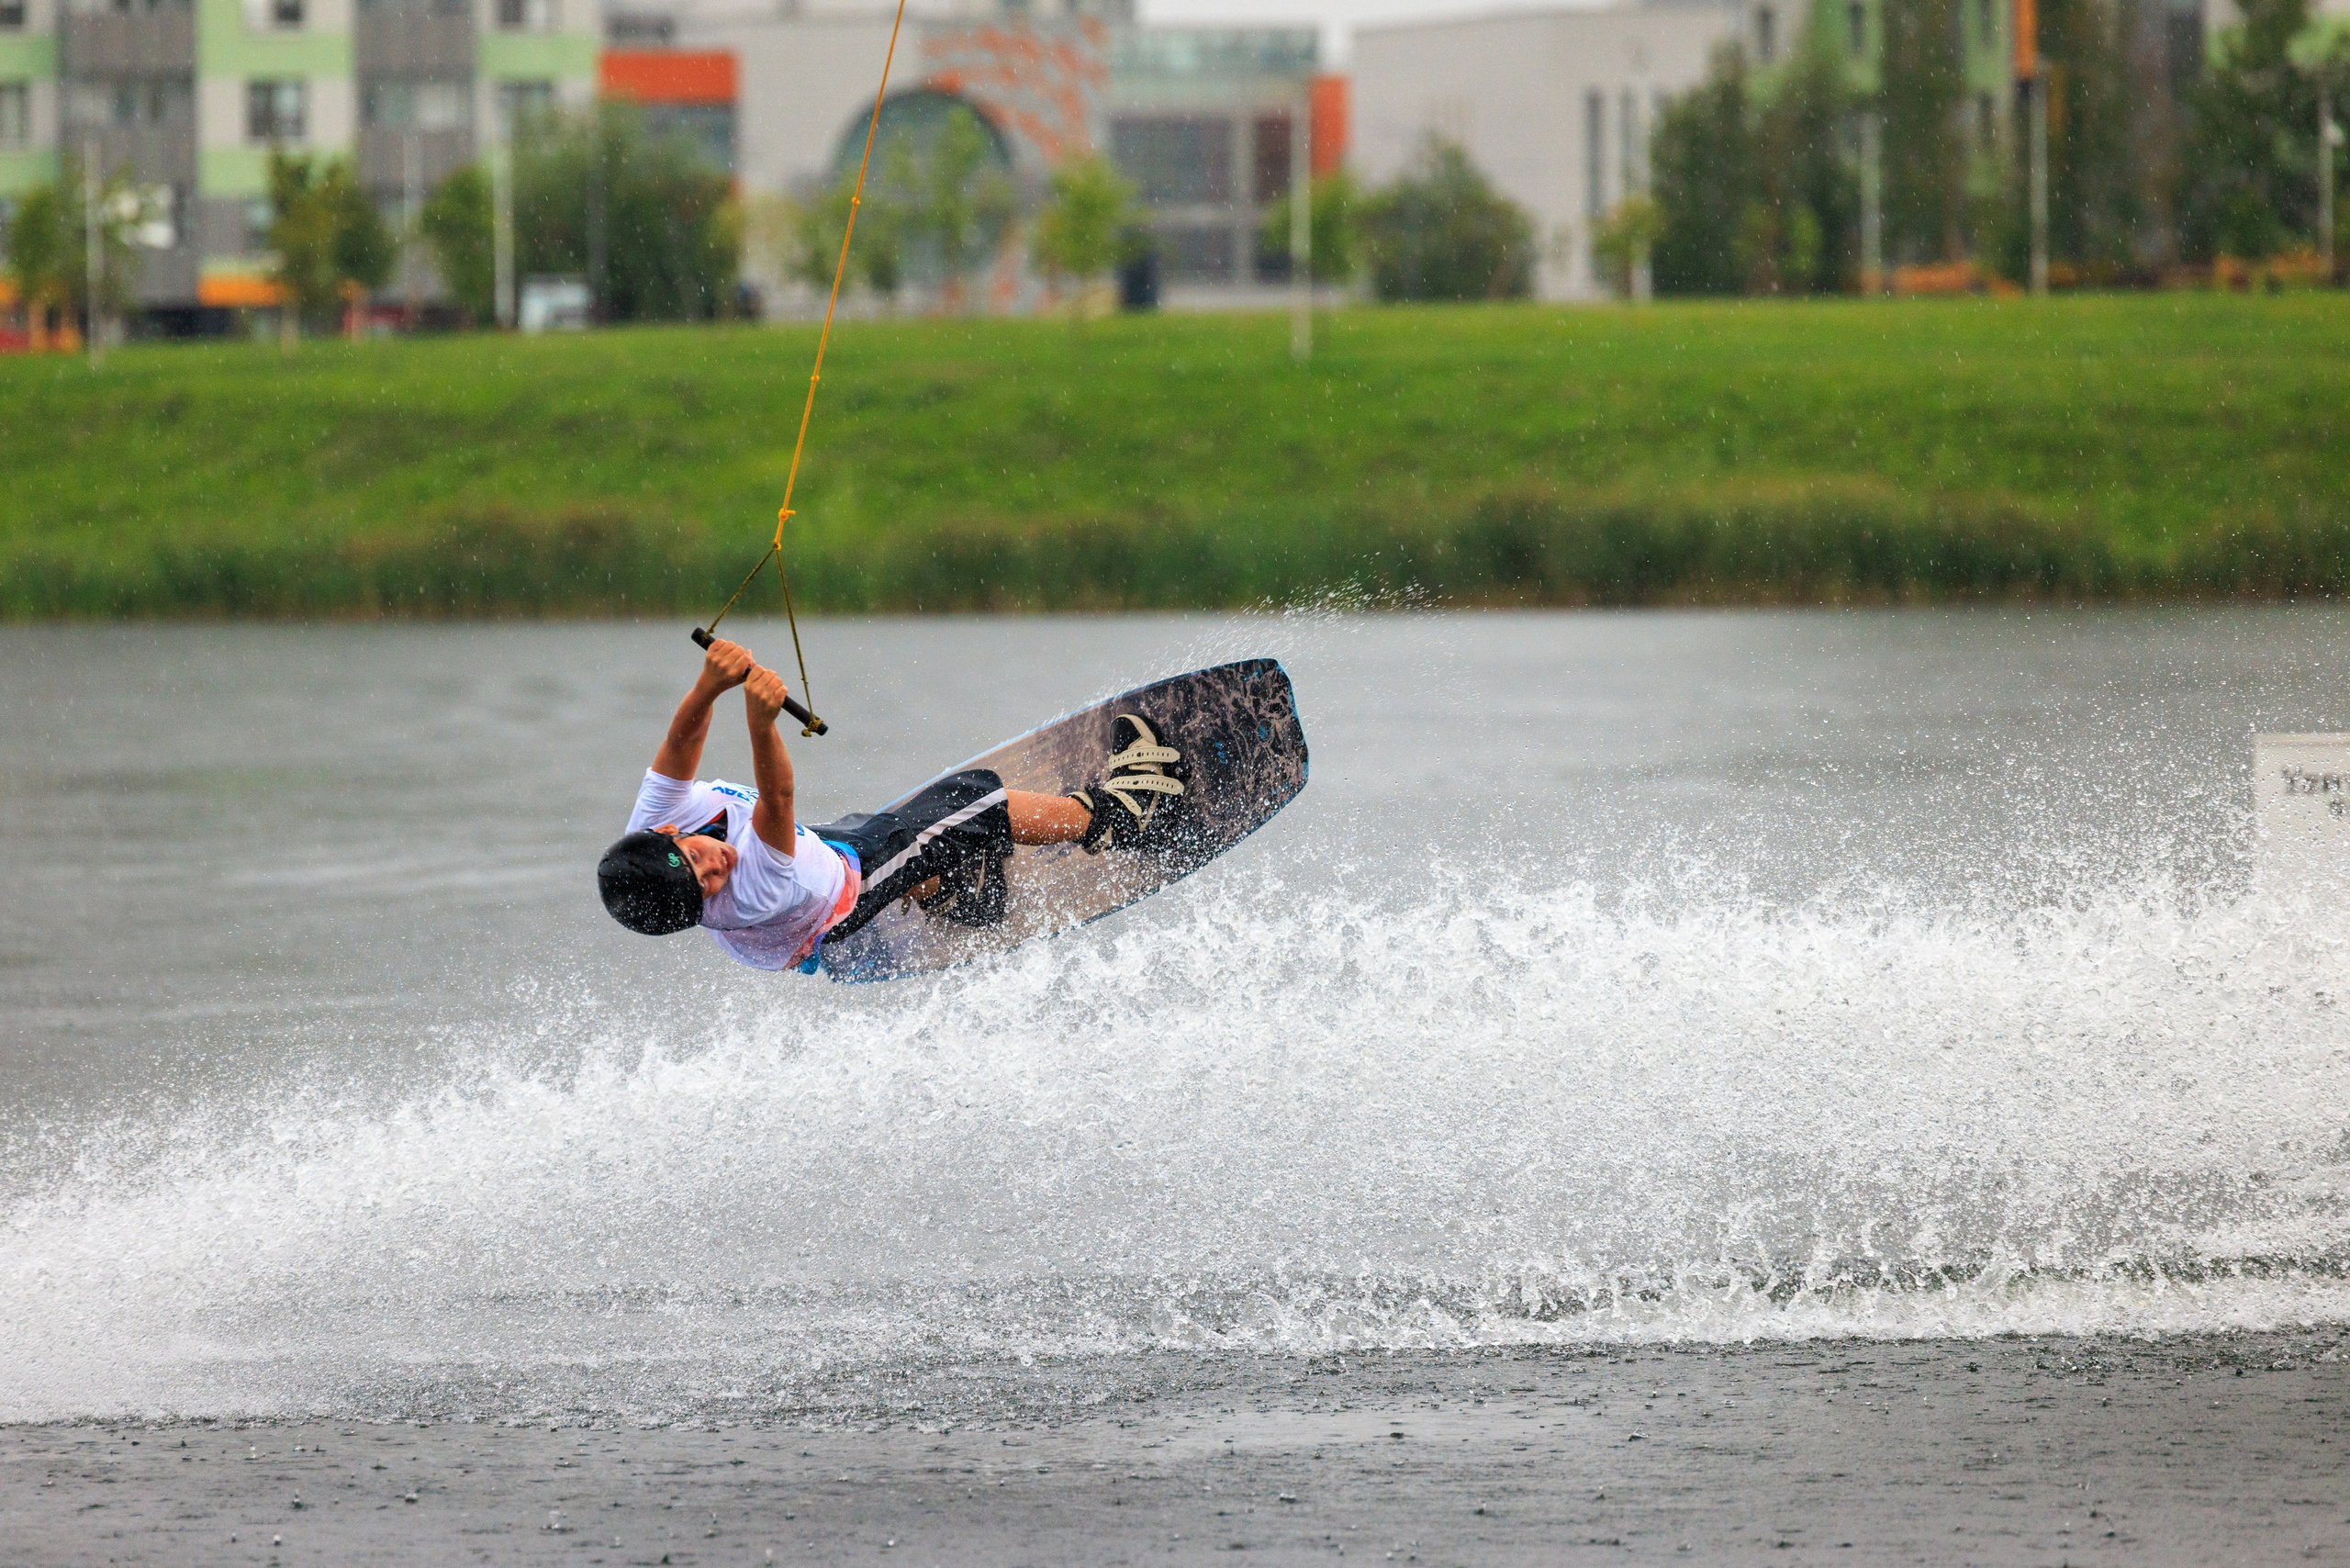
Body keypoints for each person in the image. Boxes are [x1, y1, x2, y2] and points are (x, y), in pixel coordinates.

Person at [597, 637, 1186, 972]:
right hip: (831, 898)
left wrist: (709, 684)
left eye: (697, 855)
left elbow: (679, 744)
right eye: (705, 885)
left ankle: (961, 893)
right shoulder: (751, 889)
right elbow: (776, 796)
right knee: (976, 801)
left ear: (670, 830)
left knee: (890, 828)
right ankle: (1121, 816)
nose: (714, 866)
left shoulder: (646, 831)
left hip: (811, 873)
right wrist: (760, 724)